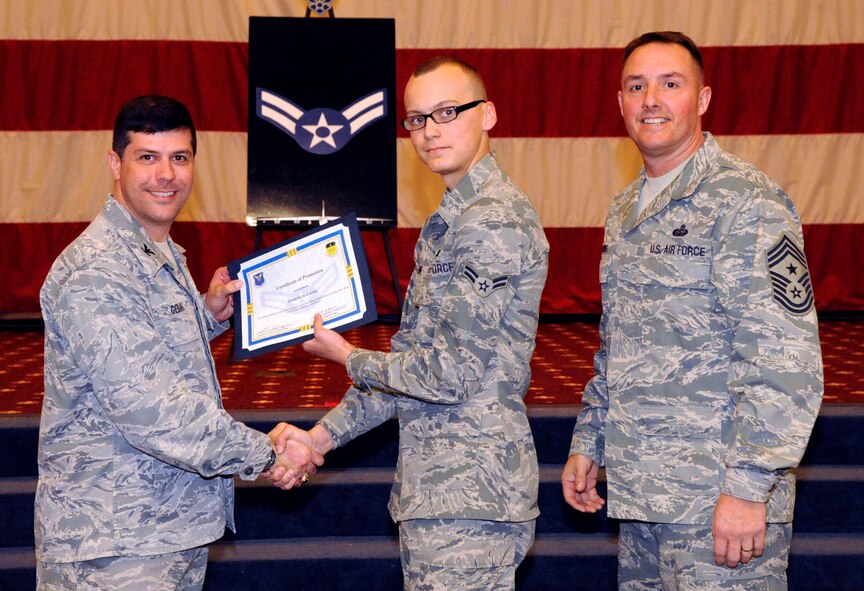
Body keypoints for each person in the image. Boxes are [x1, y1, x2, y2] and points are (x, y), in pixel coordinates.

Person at [271, 56, 549, 589]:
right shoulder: (450, 221)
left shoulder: (492, 219)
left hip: (471, 495)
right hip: (444, 493)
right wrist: (320, 438)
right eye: (417, 119)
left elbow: (450, 374)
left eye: (447, 112)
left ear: (488, 114)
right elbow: (409, 369)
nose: (430, 131)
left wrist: (347, 356)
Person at [561, 31, 824, 589]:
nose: (651, 100)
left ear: (702, 99)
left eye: (670, 84)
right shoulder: (626, 207)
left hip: (718, 504)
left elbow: (785, 361)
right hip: (643, 498)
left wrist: (748, 489)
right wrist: (591, 439)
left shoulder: (747, 201)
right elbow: (620, 344)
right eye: (637, 86)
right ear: (620, 102)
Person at [36, 95, 323, 590]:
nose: (166, 174)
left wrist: (206, 315)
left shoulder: (157, 251)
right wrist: (264, 453)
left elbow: (147, 345)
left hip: (165, 529)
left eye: (180, 157)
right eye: (147, 157)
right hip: (113, 544)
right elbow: (153, 410)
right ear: (116, 164)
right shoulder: (97, 270)